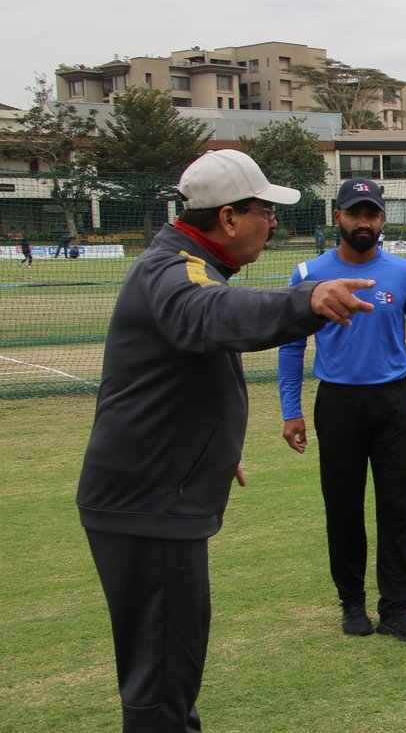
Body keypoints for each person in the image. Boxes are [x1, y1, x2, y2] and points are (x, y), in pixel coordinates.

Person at [76, 148, 372, 733]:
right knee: (162, 681)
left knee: (168, 673)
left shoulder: (182, 264)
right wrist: (306, 299)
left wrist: (209, 445)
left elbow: (181, 369)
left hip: (152, 497)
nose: (273, 223)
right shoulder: (176, 271)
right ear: (229, 218)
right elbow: (207, 314)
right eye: (265, 210)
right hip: (151, 507)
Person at [278, 178, 406, 642]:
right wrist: (291, 410)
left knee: (397, 508)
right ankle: (352, 603)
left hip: (393, 403)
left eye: (372, 213)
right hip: (338, 403)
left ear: (383, 218)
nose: (363, 222)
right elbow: (291, 345)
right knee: (343, 507)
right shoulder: (308, 273)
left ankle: (396, 609)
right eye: (354, 213)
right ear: (338, 217)